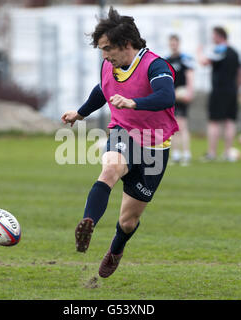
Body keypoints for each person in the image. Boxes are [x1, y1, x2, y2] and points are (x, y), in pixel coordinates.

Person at [61, 7, 178, 278]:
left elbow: (166, 96)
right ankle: (88, 221)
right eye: (101, 50)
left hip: (155, 148)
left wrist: (134, 102)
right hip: (123, 134)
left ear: (126, 44)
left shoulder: (155, 65)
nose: (104, 55)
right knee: (110, 168)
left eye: (107, 48)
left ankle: (116, 249)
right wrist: (80, 113)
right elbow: (102, 89)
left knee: (128, 222)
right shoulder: (108, 66)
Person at [197, 26, 241, 162]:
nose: (212, 38)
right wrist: (237, 88)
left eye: (213, 35)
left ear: (219, 36)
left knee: (214, 122)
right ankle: (228, 153)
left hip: (219, 91)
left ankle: (212, 153)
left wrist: (199, 52)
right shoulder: (235, 52)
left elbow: (204, 62)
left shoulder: (219, 49)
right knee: (230, 121)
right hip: (232, 91)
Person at [166, 34, 195, 166]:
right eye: (171, 43)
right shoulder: (166, 60)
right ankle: (176, 154)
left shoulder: (185, 59)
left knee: (182, 125)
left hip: (182, 95)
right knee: (173, 127)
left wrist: (190, 91)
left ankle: (186, 154)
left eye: (175, 43)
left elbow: (190, 75)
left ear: (179, 43)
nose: (173, 45)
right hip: (171, 96)